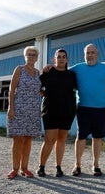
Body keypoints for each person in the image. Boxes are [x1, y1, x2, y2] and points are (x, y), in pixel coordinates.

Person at [69, 44, 105, 177]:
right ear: (84, 55)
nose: (89, 55)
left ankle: (96, 165)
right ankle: (77, 165)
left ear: (97, 54)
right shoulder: (77, 68)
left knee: (97, 137)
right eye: (87, 53)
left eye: (92, 53)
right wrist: (50, 67)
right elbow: (62, 72)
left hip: (102, 110)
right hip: (84, 109)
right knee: (81, 137)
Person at [36, 49, 77, 177]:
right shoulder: (48, 72)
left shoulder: (71, 75)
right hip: (50, 110)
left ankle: (58, 167)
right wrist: (42, 93)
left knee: (62, 139)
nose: (61, 59)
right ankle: (41, 167)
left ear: (66, 59)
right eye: (58, 56)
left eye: (63, 56)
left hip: (67, 111)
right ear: (54, 59)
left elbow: (76, 89)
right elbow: (36, 85)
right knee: (50, 139)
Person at [6, 46, 41, 179]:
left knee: (28, 139)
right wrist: (11, 107)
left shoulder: (38, 73)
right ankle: (15, 168)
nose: (31, 56)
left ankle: (24, 168)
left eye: (33, 55)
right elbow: (11, 89)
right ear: (25, 56)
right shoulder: (19, 70)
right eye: (29, 54)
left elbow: (39, 90)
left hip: (32, 110)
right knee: (18, 139)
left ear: (37, 57)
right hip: (19, 109)